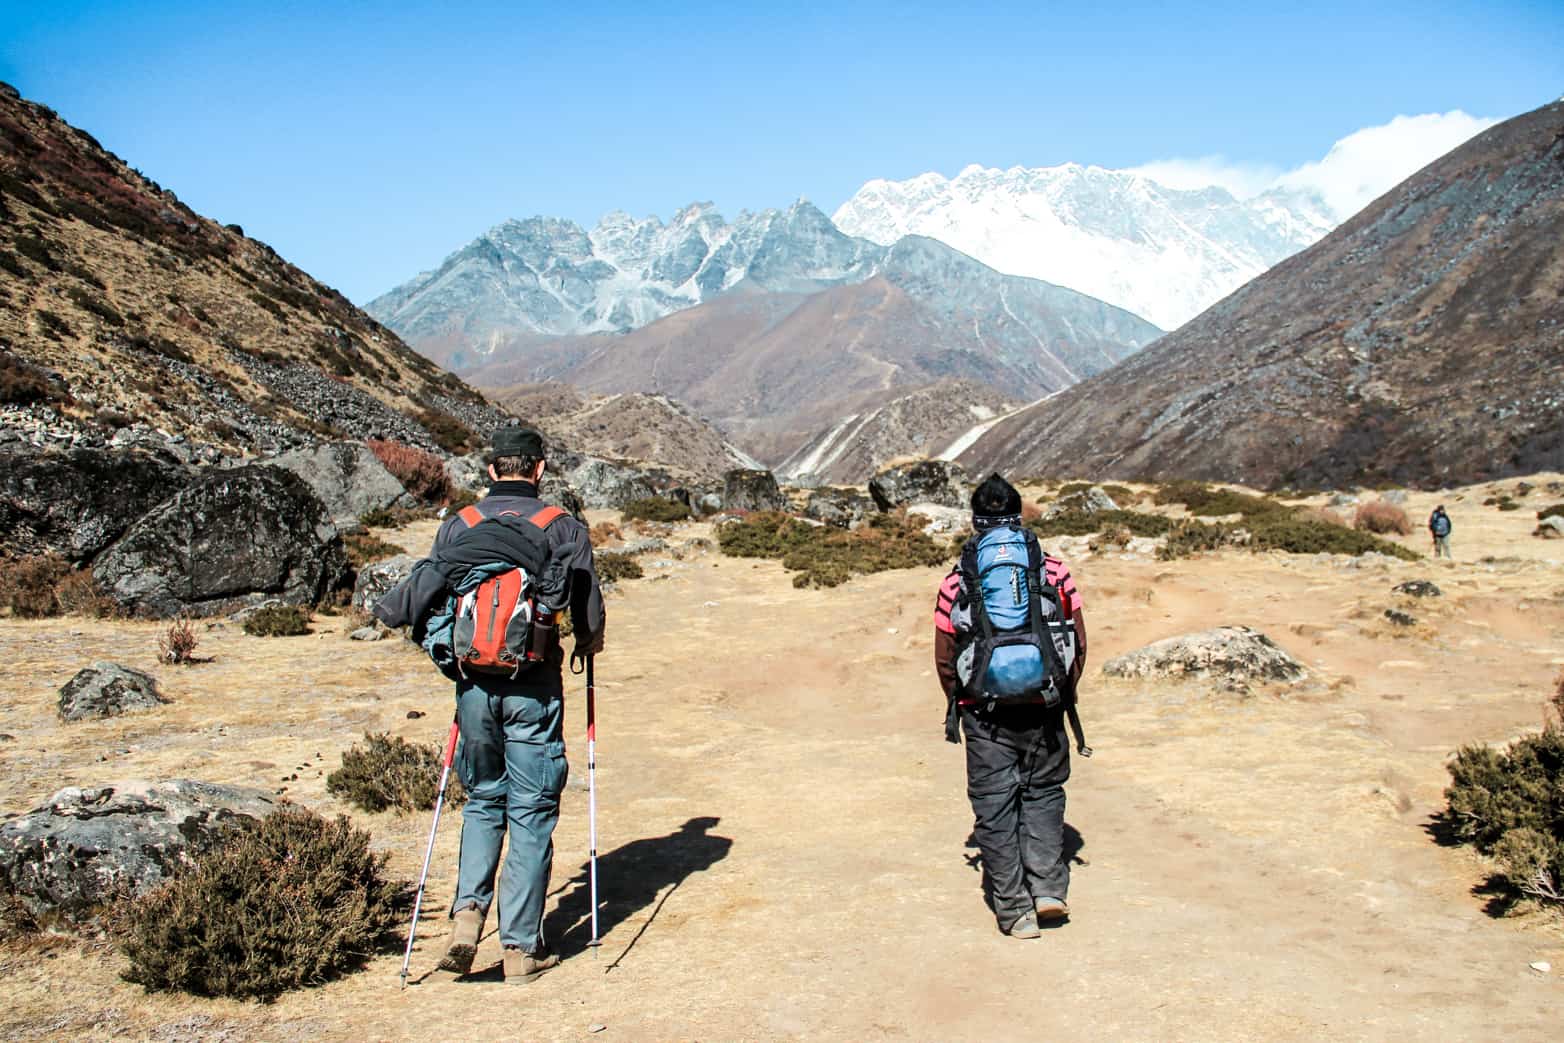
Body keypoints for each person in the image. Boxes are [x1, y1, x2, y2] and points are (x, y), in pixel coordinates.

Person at [432, 426, 605, 982]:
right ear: (539, 470)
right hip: (534, 682)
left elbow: (436, 600)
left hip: (474, 685)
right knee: (531, 810)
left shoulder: (460, 524)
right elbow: (588, 610)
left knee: (484, 798)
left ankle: (466, 915)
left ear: (490, 471)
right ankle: (520, 948)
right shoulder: (562, 526)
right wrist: (586, 644)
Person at [934, 474, 1088, 939]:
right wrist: (1062, 691)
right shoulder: (1052, 568)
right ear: (1018, 515)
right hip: (1045, 704)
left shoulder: (959, 578)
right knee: (1043, 791)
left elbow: (945, 652)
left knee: (994, 805)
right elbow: (1077, 638)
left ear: (976, 522)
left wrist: (957, 700)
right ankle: (1048, 891)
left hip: (984, 710)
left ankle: (1015, 911)